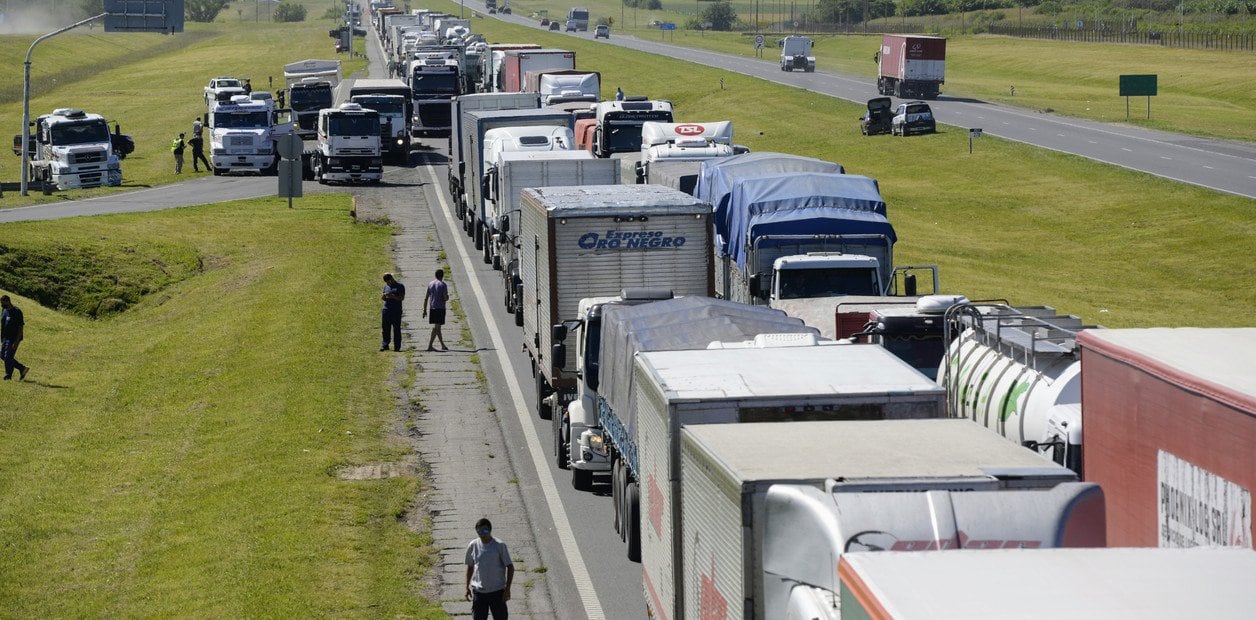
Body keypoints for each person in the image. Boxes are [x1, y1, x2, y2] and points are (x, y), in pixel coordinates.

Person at [464, 518, 513, 620]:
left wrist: (507, 589)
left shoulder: (499, 545)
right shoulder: (473, 545)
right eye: (479, 531)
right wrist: (466, 587)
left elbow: (510, 567)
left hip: (497, 592)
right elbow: (470, 567)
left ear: (490, 530)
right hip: (479, 593)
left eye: (485, 530)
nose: (482, 534)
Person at [1, 295, 28, 381]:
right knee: (2, 355)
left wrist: (16, 342)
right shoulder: (4, 310)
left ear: (8, 301)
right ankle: (22, 368)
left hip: (13, 338)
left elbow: (20, 327)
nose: (1, 305)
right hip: (5, 338)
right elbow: (3, 324)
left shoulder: (17, 311)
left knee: (8, 356)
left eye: (3, 303)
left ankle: (8, 375)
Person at [422, 269, 449, 351]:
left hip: (432, 308)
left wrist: (424, 310)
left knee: (438, 327)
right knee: (436, 328)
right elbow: (445, 297)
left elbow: (426, 298)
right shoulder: (443, 285)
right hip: (440, 308)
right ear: (442, 275)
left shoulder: (431, 284)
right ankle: (430, 346)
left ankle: (442, 345)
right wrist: (447, 297)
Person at [380, 273, 405, 351]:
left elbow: (402, 298)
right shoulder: (386, 287)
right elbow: (383, 298)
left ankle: (397, 346)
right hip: (386, 310)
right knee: (385, 328)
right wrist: (384, 296)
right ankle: (385, 344)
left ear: (391, 279)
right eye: (386, 282)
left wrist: (393, 296)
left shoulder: (400, 286)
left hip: (396, 310)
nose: (387, 284)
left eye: (388, 282)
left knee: (396, 328)